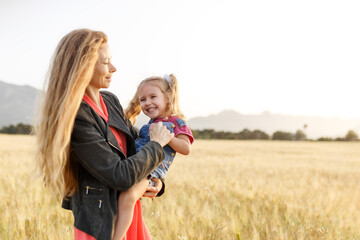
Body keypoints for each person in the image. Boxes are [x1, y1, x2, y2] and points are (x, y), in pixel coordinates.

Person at [35, 29, 174, 240]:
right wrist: (157, 145)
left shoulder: (110, 101)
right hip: (102, 224)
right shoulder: (77, 115)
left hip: (129, 211)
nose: (114, 68)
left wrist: (158, 183)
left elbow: (138, 148)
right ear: (83, 67)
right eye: (105, 62)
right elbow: (120, 175)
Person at [113, 74, 194, 240]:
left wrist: (168, 137)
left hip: (151, 172)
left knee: (128, 197)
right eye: (142, 99)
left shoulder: (176, 122)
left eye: (153, 97)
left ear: (168, 97)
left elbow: (186, 148)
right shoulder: (147, 125)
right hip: (136, 166)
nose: (147, 102)